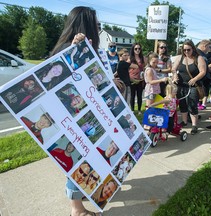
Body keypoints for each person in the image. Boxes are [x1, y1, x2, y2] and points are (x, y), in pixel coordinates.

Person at [50, 6, 103, 216]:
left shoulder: (85, 47)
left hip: (83, 115)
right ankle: (77, 210)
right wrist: (75, 51)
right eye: (96, 25)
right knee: (80, 160)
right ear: (86, 25)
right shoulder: (69, 48)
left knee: (88, 158)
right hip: (74, 117)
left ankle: (82, 198)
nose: (98, 28)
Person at [172, 40, 206, 135]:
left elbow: (203, 71)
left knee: (192, 104)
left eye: (188, 50)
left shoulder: (198, 58)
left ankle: (194, 125)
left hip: (193, 86)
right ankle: (184, 121)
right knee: (182, 104)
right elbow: (173, 68)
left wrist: (195, 79)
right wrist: (175, 75)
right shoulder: (180, 57)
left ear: (193, 49)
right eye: (184, 50)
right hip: (181, 85)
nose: (186, 52)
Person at [129, 43, 146, 115]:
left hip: (140, 80)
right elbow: (126, 68)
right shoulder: (130, 59)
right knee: (132, 95)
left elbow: (144, 68)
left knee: (140, 95)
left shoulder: (143, 58)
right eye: (136, 49)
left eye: (139, 48)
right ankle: (132, 110)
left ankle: (139, 110)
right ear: (133, 49)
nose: (137, 50)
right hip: (132, 80)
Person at [196, 39, 211, 110]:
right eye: (209, 47)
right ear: (204, 46)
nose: (209, 50)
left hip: (204, 78)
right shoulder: (197, 53)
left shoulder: (202, 54)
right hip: (199, 79)